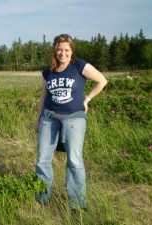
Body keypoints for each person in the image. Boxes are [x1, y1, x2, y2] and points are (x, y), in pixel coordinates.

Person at [34, 34, 107, 210]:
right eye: (59, 49)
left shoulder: (79, 66)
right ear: (55, 50)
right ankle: (41, 198)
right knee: (42, 159)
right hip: (49, 118)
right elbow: (43, 97)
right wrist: (38, 119)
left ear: (72, 51)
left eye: (66, 49)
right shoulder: (48, 71)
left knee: (74, 160)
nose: (62, 53)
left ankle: (77, 203)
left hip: (74, 118)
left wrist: (87, 99)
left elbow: (102, 80)